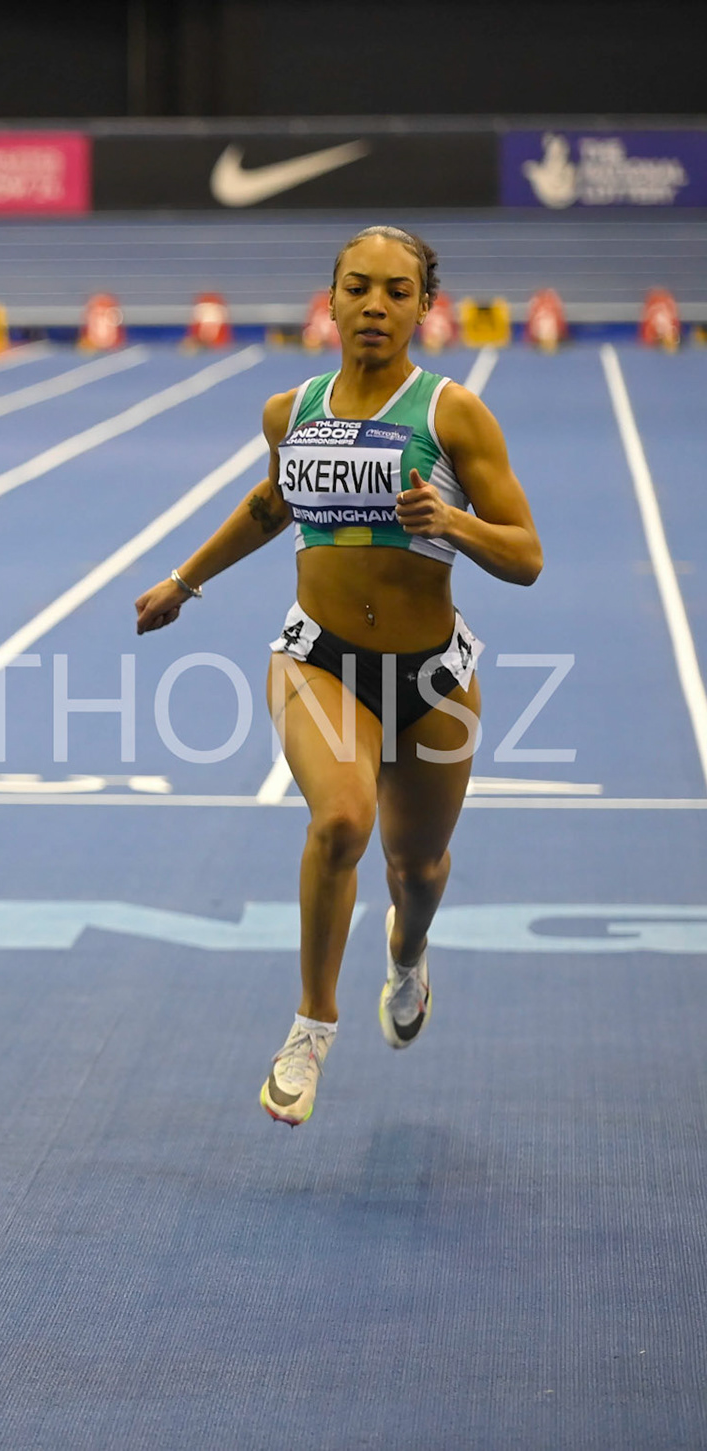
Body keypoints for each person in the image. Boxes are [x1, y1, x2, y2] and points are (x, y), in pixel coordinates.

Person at [135, 225, 541, 1127]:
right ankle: (312, 1024)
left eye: (397, 291)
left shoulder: (452, 416)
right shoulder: (292, 410)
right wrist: (184, 580)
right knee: (342, 820)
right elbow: (269, 505)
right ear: (331, 296)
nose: (375, 306)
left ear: (425, 307)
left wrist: (455, 523)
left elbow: (527, 556)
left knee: (419, 867)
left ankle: (407, 952)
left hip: (432, 675)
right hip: (317, 659)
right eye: (358, 287)